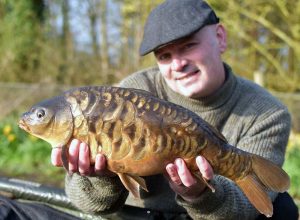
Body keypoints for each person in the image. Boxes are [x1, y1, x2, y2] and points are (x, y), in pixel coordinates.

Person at [51, 0, 299, 219]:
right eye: (164, 56)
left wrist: (199, 194)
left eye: (189, 46)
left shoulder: (266, 112)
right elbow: (87, 205)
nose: (178, 64)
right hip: (137, 214)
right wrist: (102, 176)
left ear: (220, 38)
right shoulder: (132, 93)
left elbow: (246, 209)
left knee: (284, 209)